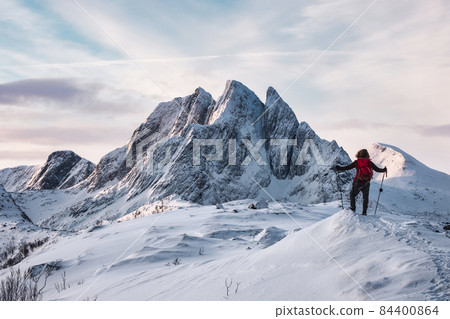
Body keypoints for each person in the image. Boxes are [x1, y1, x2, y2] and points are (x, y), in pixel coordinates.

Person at [333, 149, 387, 215]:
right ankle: (364, 212)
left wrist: (339, 168)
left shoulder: (357, 162)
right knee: (365, 197)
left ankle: (352, 209)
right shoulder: (369, 162)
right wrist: (384, 170)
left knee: (352, 194)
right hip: (367, 182)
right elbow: (377, 169)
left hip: (358, 181)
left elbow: (348, 167)